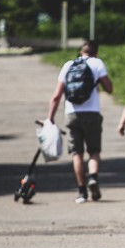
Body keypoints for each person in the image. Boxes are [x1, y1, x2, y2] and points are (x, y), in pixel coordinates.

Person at [47, 40, 113, 204]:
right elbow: (109, 88)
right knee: (94, 152)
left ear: (80, 51)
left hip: (72, 113)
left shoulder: (68, 65)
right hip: (92, 113)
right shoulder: (97, 63)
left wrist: (50, 118)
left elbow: (56, 96)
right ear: (95, 52)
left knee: (77, 153)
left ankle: (82, 192)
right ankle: (93, 178)